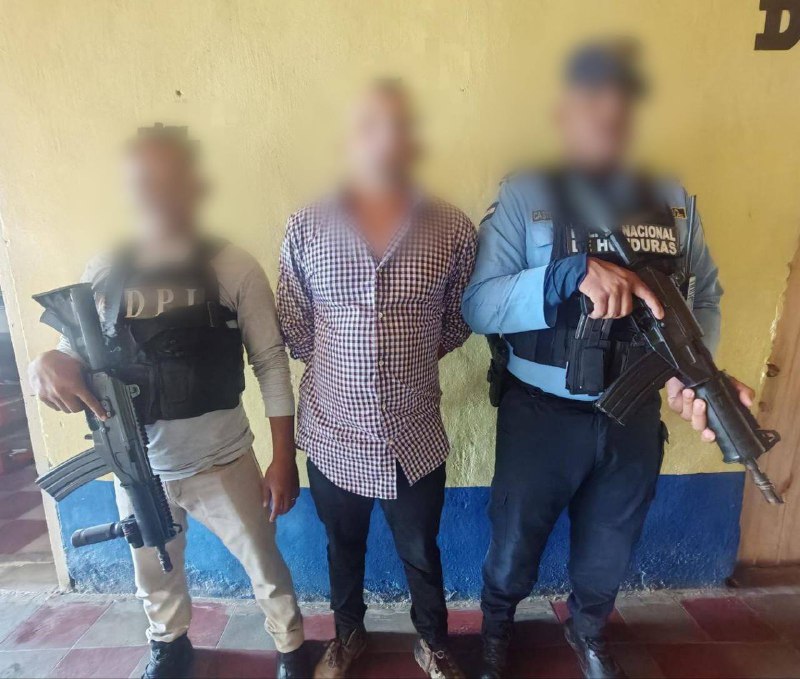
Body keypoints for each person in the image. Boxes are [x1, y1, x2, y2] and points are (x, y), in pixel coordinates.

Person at [461, 40, 755, 679]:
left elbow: (705, 294)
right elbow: (478, 306)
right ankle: (496, 630)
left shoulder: (672, 200)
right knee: (514, 544)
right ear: (564, 112)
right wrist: (565, 275)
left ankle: (589, 630)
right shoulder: (526, 194)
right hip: (540, 413)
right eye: (592, 97)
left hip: (632, 414)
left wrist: (689, 372)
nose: (608, 113)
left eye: (621, 99)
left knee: (610, 547)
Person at [28, 124, 307, 679]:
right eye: (143, 182)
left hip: (223, 460)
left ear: (194, 185)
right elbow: (71, 352)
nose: (156, 193)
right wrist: (46, 363)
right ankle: (169, 645)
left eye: (169, 179)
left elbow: (271, 362)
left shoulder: (233, 265)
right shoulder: (104, 269)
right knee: (153, 568)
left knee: (265, 565)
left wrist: (283, 458)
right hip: (137, 462)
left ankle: (291, 647)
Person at [277, 80, 476, 679]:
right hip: (333, 431)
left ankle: (432, 643)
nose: (385, 139)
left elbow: (460, 319)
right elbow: (296, 324)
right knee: (343, 547)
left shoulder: (452, 228)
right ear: (349, 138)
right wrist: (350, 371)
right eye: (370, 125)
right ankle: (347, 637)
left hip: (413, 434)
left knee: (421, 551)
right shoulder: (306, 226)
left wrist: (401, 365)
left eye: (399, 126)